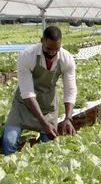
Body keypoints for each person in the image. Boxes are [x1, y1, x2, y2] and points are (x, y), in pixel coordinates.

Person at [2, 26, 77, 155]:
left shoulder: (67, 59)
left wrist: (68, 118)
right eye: (49, 49)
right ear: (42, 40)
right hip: (24, 105)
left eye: (56, 49)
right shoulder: (27, 55)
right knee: (9, 141)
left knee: (48, 146)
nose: (52, 53)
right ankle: (11, 169)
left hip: (48, 106)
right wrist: (44, 123)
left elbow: (70, 90)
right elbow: (27, 93)